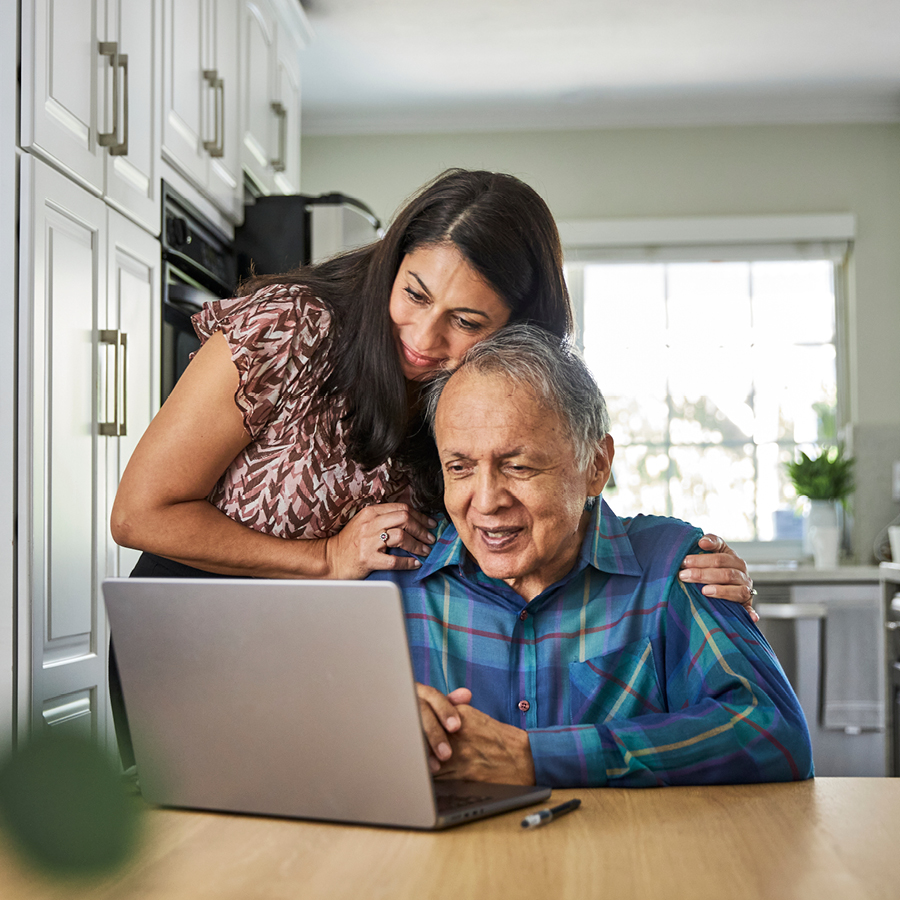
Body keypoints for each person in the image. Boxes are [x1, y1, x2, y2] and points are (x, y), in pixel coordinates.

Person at [111, 168, 753, 601]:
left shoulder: (488, 396)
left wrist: (684, 573)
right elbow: (139, 515)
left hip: (337, 652)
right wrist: (326, 559)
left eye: (466, 322)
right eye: (414, 294)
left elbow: (552, 500)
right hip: (190, 625)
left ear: (517, 329)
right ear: (393, 262)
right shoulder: (292, 326)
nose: (422, 338)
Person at [373, 325, 813, 787]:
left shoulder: (672, 567)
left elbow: (775, 733)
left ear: (596, 466)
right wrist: (373, 727)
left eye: (518, 467)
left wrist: (535, 757)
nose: (485, 502)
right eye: (460, 468)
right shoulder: (395, 578)